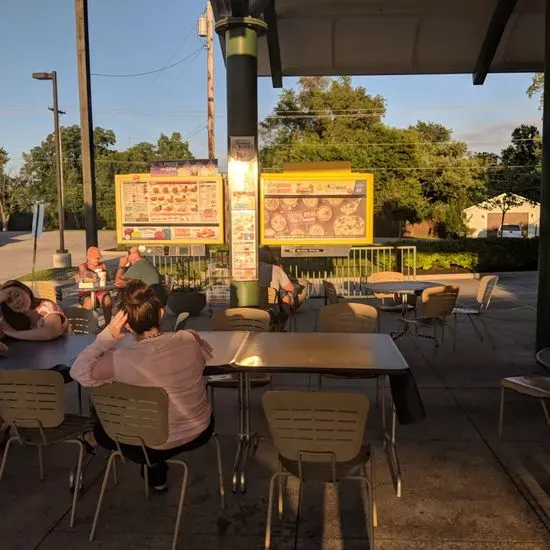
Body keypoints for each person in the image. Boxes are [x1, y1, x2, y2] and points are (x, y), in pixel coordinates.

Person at [70, 280, 214, 492]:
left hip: (143, 441)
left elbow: (77, 372)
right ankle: (156, 477)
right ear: (161, 314)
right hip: (198, 431)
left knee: (114, 413)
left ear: (126, 324)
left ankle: (93, 439)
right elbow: (206, 357)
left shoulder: (119, 359)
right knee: (156, 411)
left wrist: (106, 338)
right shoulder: (189, 339)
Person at [0, 279, 69, 447]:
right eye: (8, 300)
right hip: (22, 370)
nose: (16, 302)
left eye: (17, 295)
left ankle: (7, 425)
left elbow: (49, 332)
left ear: (27, 291)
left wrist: (13, 334)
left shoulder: (45, 306)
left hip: (56, 368)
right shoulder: (9, 318)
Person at [259, 246, 297, 323]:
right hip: (271, 309)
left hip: (252, 308)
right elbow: (291, 288)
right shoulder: (275, 269)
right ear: (270, 258)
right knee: (286, 295)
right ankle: (283, 325)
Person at [77, 246, 113, 324]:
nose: (97, 260)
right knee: (89, 303)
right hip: (86, 293)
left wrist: (105, 273)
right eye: (95, 258)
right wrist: (94, 276)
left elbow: (109, 281)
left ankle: (108, 325)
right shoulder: (83, 266)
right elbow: (84, 272)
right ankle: (88, 326)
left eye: (98, 258)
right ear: (88, 258)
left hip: (100, 292)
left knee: (107, 300)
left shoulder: (102, 266)